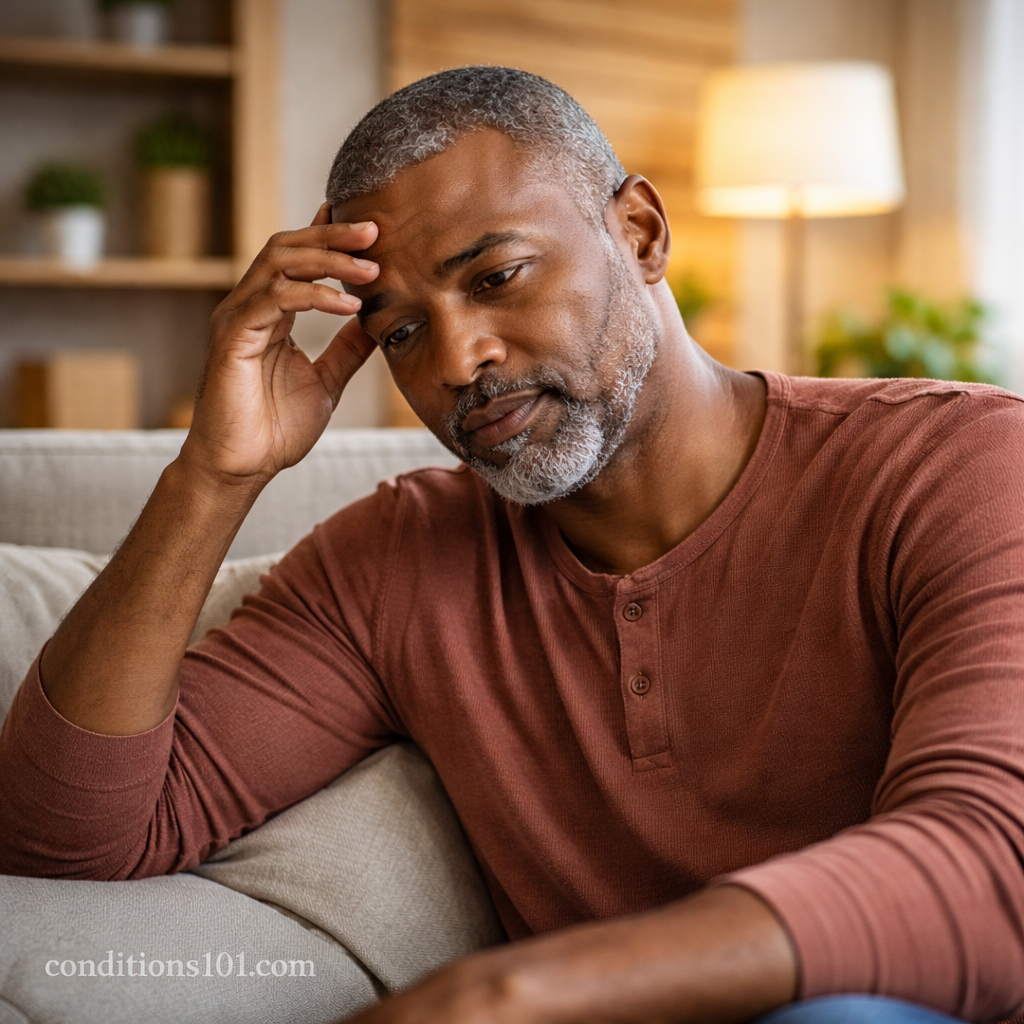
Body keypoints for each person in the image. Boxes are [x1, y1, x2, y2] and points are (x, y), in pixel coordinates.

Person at [2, 66, 1024, 1024]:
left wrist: (507, 995)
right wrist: (215, 475)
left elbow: (993, 865)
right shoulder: (391, 561)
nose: (456, 360)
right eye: (398, 330)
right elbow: (68, 834)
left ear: (639, 230)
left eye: (496, 276)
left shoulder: (959, 462)